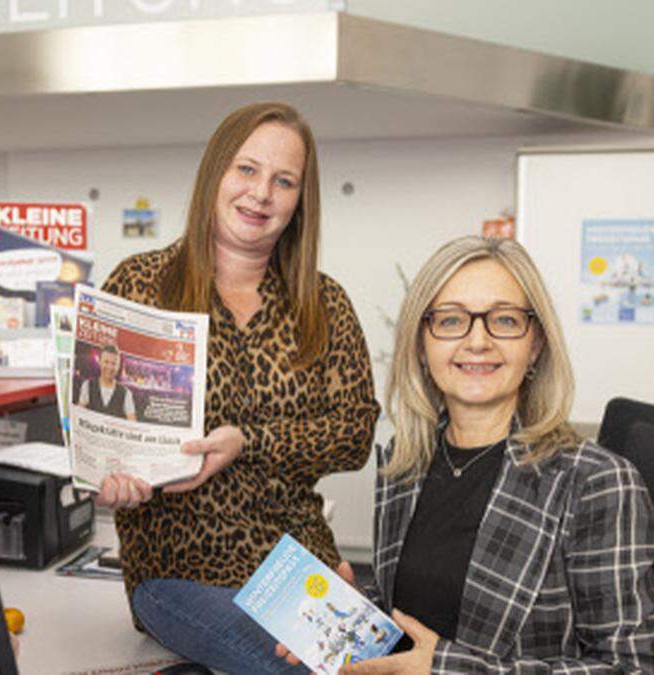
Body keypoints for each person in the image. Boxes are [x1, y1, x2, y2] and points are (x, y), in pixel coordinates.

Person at [280, 235, 654, 673]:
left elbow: (640, 668)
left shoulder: (595, 482)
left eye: (504, 320)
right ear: (421, 345)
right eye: (450, 321)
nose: (478, 341)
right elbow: (429, 605)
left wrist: (447, 669)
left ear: (536, 343)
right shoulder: (404, 462)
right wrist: (354, 614)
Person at [94, 101, 380, 673]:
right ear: (215, 174)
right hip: (180, 571)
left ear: (300, 201)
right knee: (293, 670)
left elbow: (354, 433)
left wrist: (248, 440)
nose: (261, 194)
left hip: (301, 567)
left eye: (284, 181)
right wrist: (109, 474)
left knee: (376, 667)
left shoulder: (323, 303)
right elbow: (99, 419)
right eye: (246, 170)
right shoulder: (140, 285)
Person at [75, 344, 137, 421]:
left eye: (114, 363)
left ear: (118, 366)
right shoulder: (87, 385)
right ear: (100, 362)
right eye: (106, 362)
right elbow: (78, 414)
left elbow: (132, 421)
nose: (110, 367)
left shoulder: (126, 393)